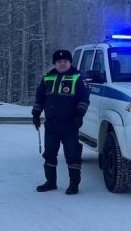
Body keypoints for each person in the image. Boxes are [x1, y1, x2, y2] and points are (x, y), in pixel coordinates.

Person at [32, 49, 90, 194]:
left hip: (70, 124)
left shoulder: (78, 78)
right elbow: (40, 97)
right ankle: (51, 182)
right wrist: (36, 114)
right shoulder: (47, 78)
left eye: (65, 61)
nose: (62, 64)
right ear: (55, 63)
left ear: (70, 62)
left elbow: (84, 98)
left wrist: (79, 115)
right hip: (51, 124)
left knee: (72, 155)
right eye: (59, 61)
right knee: (49, 154)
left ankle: (74, 185)